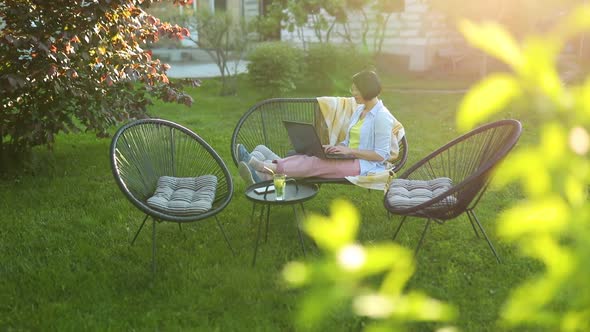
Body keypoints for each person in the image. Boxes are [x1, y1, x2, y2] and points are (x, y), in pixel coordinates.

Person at [239, 70, 397, 182]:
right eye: (353, 88)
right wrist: (336, 148)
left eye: (356, 89)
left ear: (367, 89)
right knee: (311, 155)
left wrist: (349, 151)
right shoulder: (360, 110)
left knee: (315, 163)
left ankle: (262, 166)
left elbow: (381, 155)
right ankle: (263, 175)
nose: (353, 92)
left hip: (363, 166)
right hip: (350, 158)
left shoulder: (382, 116)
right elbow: (349, 142)